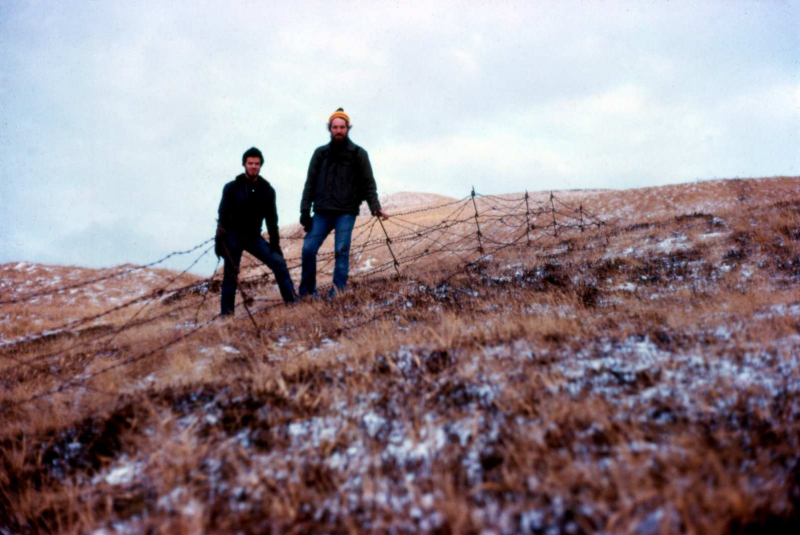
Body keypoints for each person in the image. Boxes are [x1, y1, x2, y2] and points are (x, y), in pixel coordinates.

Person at [299, 108, 389, 299]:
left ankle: (337, 294)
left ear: (348, 128)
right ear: (329, 129)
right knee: (308, 249)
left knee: (341, 251)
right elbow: (310, 184)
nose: (338, 130)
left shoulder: (358, 154)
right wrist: (305, 211)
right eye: (335, 127)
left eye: (342, 127)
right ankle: (307, 294)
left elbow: (368, 184)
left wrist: (375, 207)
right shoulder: (320, 154)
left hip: (346, 212)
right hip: (322, 212)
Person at [216, 147, 297, 315]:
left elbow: (272, 219)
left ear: (261, 166)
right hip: (232, 237)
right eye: (250, 163)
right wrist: (220, 242)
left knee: (279, 263)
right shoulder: (231, 188)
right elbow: (222, 215)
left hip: (253, 237)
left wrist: (275, 244)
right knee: (230, 276)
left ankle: (293, 304)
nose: (253, 166)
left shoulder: (267, 190)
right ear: (244, 164)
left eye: (257, 164)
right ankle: (226, 316)